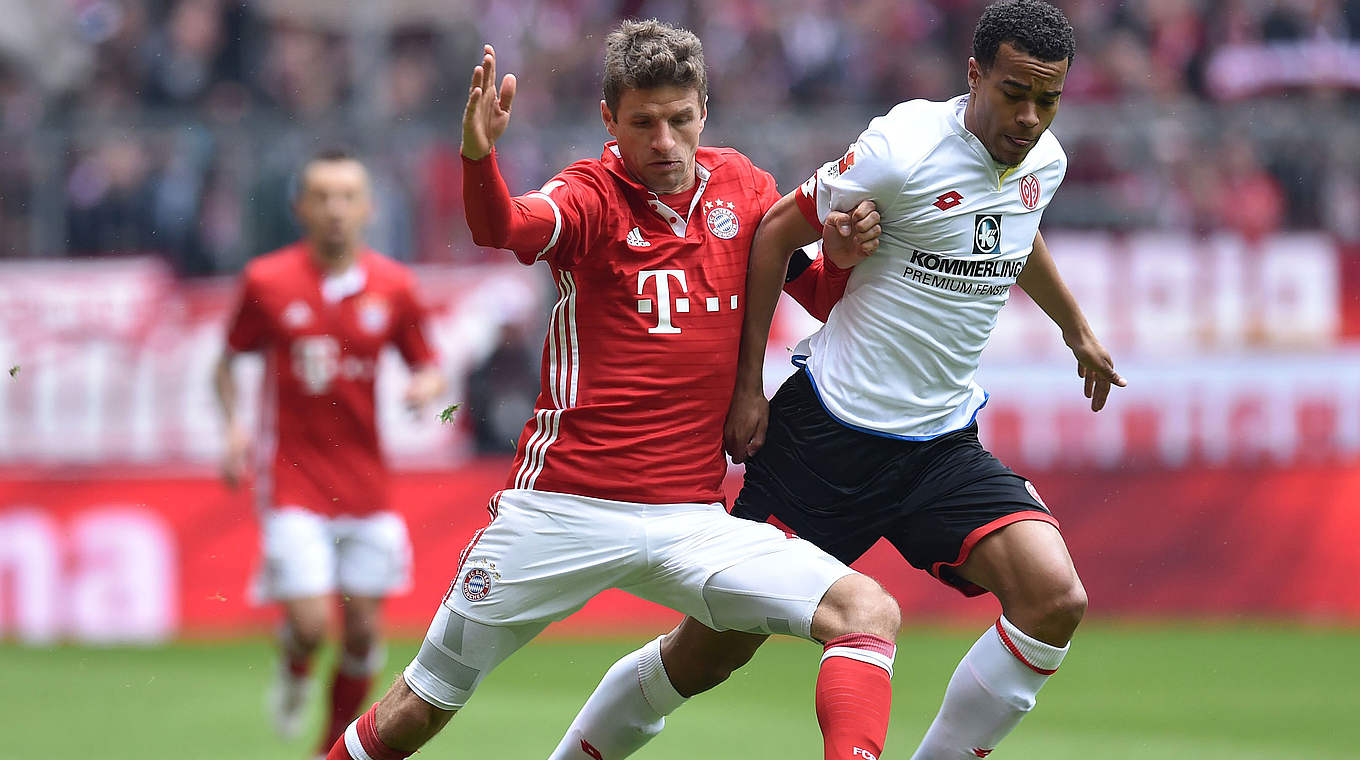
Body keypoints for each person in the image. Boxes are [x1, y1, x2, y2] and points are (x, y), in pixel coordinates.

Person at [556, 2, 1128, 759]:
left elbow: (1013, 227)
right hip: (823, 440)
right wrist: (750, 386)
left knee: (1055, 599)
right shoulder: (905, 145)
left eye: (1047, 99)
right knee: (705, 656)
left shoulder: (1043, 161)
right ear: (974, 75)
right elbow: (773, 234)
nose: (1029, 117)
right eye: (1014, 92)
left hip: (939, 448)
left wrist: (1074, 326)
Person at [325, 20, 901, 760]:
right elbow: (503, 224)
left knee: (866, 611)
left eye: (679, 119)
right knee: (419, 707)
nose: (664, 141)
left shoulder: (745, 190)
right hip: (561, 509)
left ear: (704, 110)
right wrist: (479, 156)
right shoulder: (591, 195)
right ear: (609, 120)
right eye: (643, 123)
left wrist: (846, 257)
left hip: (690, 520)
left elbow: (820, 294)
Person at [214, 149, 446, 757]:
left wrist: (426, 387)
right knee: (315, 625)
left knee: (366, 630)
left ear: (369, 208)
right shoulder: (267, 281)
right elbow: (228, 360)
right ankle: (294, 670)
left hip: (366, 484)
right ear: (301, 208)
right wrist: (234, 428)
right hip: (292, 479)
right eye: (322, 196)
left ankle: (328, 747)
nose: (335, 209)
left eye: (347, 196)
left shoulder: (394, 286)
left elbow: (430, 364)